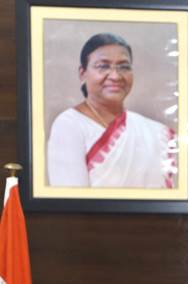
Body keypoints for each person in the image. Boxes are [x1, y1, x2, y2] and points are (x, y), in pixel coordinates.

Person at [47, 33, 177, 188]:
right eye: (103, 66)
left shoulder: (156, 133)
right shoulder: (69, 125)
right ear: (83, 74)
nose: (115, 76)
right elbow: (70, 197)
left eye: (124, 67)